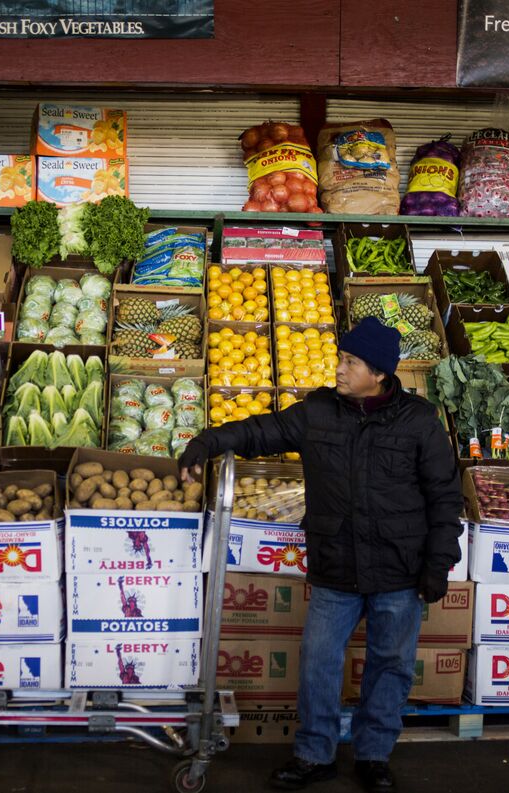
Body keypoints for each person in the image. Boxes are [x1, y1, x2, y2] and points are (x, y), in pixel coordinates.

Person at [179, 317, 463, 793]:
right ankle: (315, 754)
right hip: (336, 564)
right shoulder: (318, 411)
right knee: (317, 662)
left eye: (350, 362)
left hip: (399, 568)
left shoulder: (419, 421)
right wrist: (207, 443)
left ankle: (373, 756)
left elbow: (444, 496)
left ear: (378, 372)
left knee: (390, 664)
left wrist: (438, 563)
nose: (339, 368)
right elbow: (260, 431)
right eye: (340, 358)